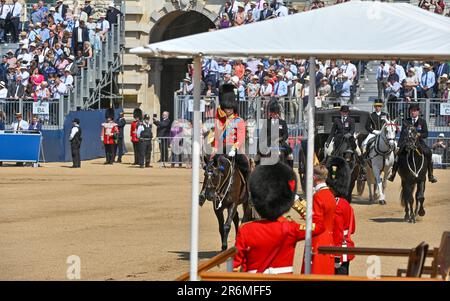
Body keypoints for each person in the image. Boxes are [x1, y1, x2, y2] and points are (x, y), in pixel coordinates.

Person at [233, 162, 310, 274]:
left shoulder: (245, 230)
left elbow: (236, 266)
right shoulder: (291, 228)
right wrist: (296, 201)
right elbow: (319, 225)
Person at [389, 103, 437, 183]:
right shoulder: (405, 121)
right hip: (407, 142)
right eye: (411, 111)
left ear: (418, 112)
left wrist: (419, 134)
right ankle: (393, 174)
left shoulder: (422, 121)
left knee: (429, 152)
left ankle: (430, 175)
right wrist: (399, 146)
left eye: (415, 111)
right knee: (397, 154)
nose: (413, 112)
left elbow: (426, 133)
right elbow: (402, 135)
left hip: (419, 142)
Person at [301, 164, 336, 275]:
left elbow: (315, 222)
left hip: (317, 240)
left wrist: (301, 209)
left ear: (314, 178)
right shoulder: (330, 194)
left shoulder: (318, 196)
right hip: (329, 239)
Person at [211, 84, 249, 180]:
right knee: (211, 166)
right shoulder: (221, 121)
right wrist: (215, 148)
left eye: (230, 108)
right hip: (222, 149)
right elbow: (217, 136)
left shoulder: (239, 121)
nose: (228, 110)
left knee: (246, 167)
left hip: (235, 149)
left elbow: (240, 139)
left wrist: (234, 148)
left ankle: (248, 189)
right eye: (226, 108)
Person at [257, 100, 293, 168]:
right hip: (268, 143)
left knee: (290, 156)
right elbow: (262, 135)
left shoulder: (283, 122)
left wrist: (281, 138)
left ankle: (290, 172)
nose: (276, 114)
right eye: (274, 113)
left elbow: (286, 134)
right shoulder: (266, 123)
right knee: (257, 156)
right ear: (271, 113)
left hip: (280, 142)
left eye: (277, 113)